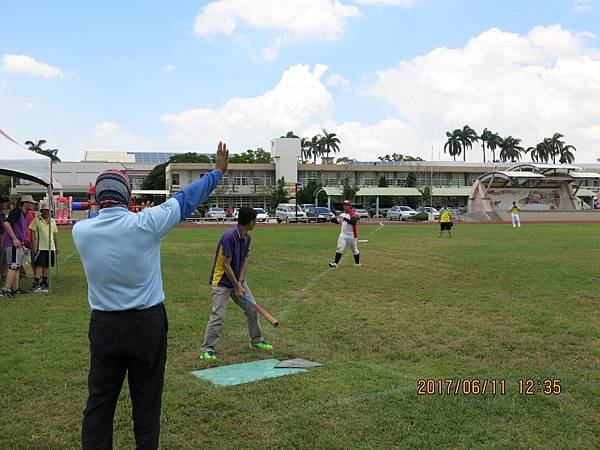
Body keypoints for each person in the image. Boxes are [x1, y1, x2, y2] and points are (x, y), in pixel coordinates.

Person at [73, 142, 229, 449]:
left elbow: (95, 215)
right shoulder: (146, 223)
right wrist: (217, 172)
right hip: (147, 325)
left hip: (104, 325)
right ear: (128, 197)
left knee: (99, 404)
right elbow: (187, 197)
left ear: (96, 198)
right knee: (146, 405)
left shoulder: (82, 232)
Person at [200, 206, 272, 361]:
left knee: (252, 309)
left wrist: (240, 282)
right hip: (221, 282)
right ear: (250, 222)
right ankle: (207, 349)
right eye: (255, 220)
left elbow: (245, 260)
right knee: (218, 315)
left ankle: (257, 340)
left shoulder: (247, 237)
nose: (257, 222)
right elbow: (226, 265)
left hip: (236, 280)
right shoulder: (229, 237)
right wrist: (236, 286)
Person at [2, 195, 34, 297]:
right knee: (13, 266)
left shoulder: (23, 214)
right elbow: (6, 224)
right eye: (31, 203)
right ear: (25, 203)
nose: (32, 205)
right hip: (12, 243)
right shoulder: (16, 212)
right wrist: (14, 239)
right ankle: (5, 290)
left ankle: (14, 289)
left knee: (17, 267)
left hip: (18, 244)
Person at [29, 203, 59, 293]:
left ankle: (44, 281)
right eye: (45, 210)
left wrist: (57, 247)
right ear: (41, 211)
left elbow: (55, 234)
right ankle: (36, 283)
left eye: (48, 211)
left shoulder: (53, 221)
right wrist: (33, 246)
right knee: (39, 265)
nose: (47, 212)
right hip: (40, 247)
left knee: (47, 265)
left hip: (51, 247)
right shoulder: (36, 220)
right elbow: (32, 234)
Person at [328, 199, 360, 268]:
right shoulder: (342, 214)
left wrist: (344, 218)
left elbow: (353, 222)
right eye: (344, 205)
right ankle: (335, 263)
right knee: (339, 248)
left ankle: (357, 263)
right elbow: (338, 221)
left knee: (354, 250)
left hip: (352, 236)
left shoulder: (352, 214)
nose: (345, 206)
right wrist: (333, 220)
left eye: (346, 205)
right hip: (343, 235)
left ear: (349, 206)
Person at [0, 197, 8, 279]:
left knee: (4, 259)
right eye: (4, 203)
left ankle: (4, 275)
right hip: (1, 238)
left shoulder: (3, 214)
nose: (6, 205)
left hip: (4, 239)